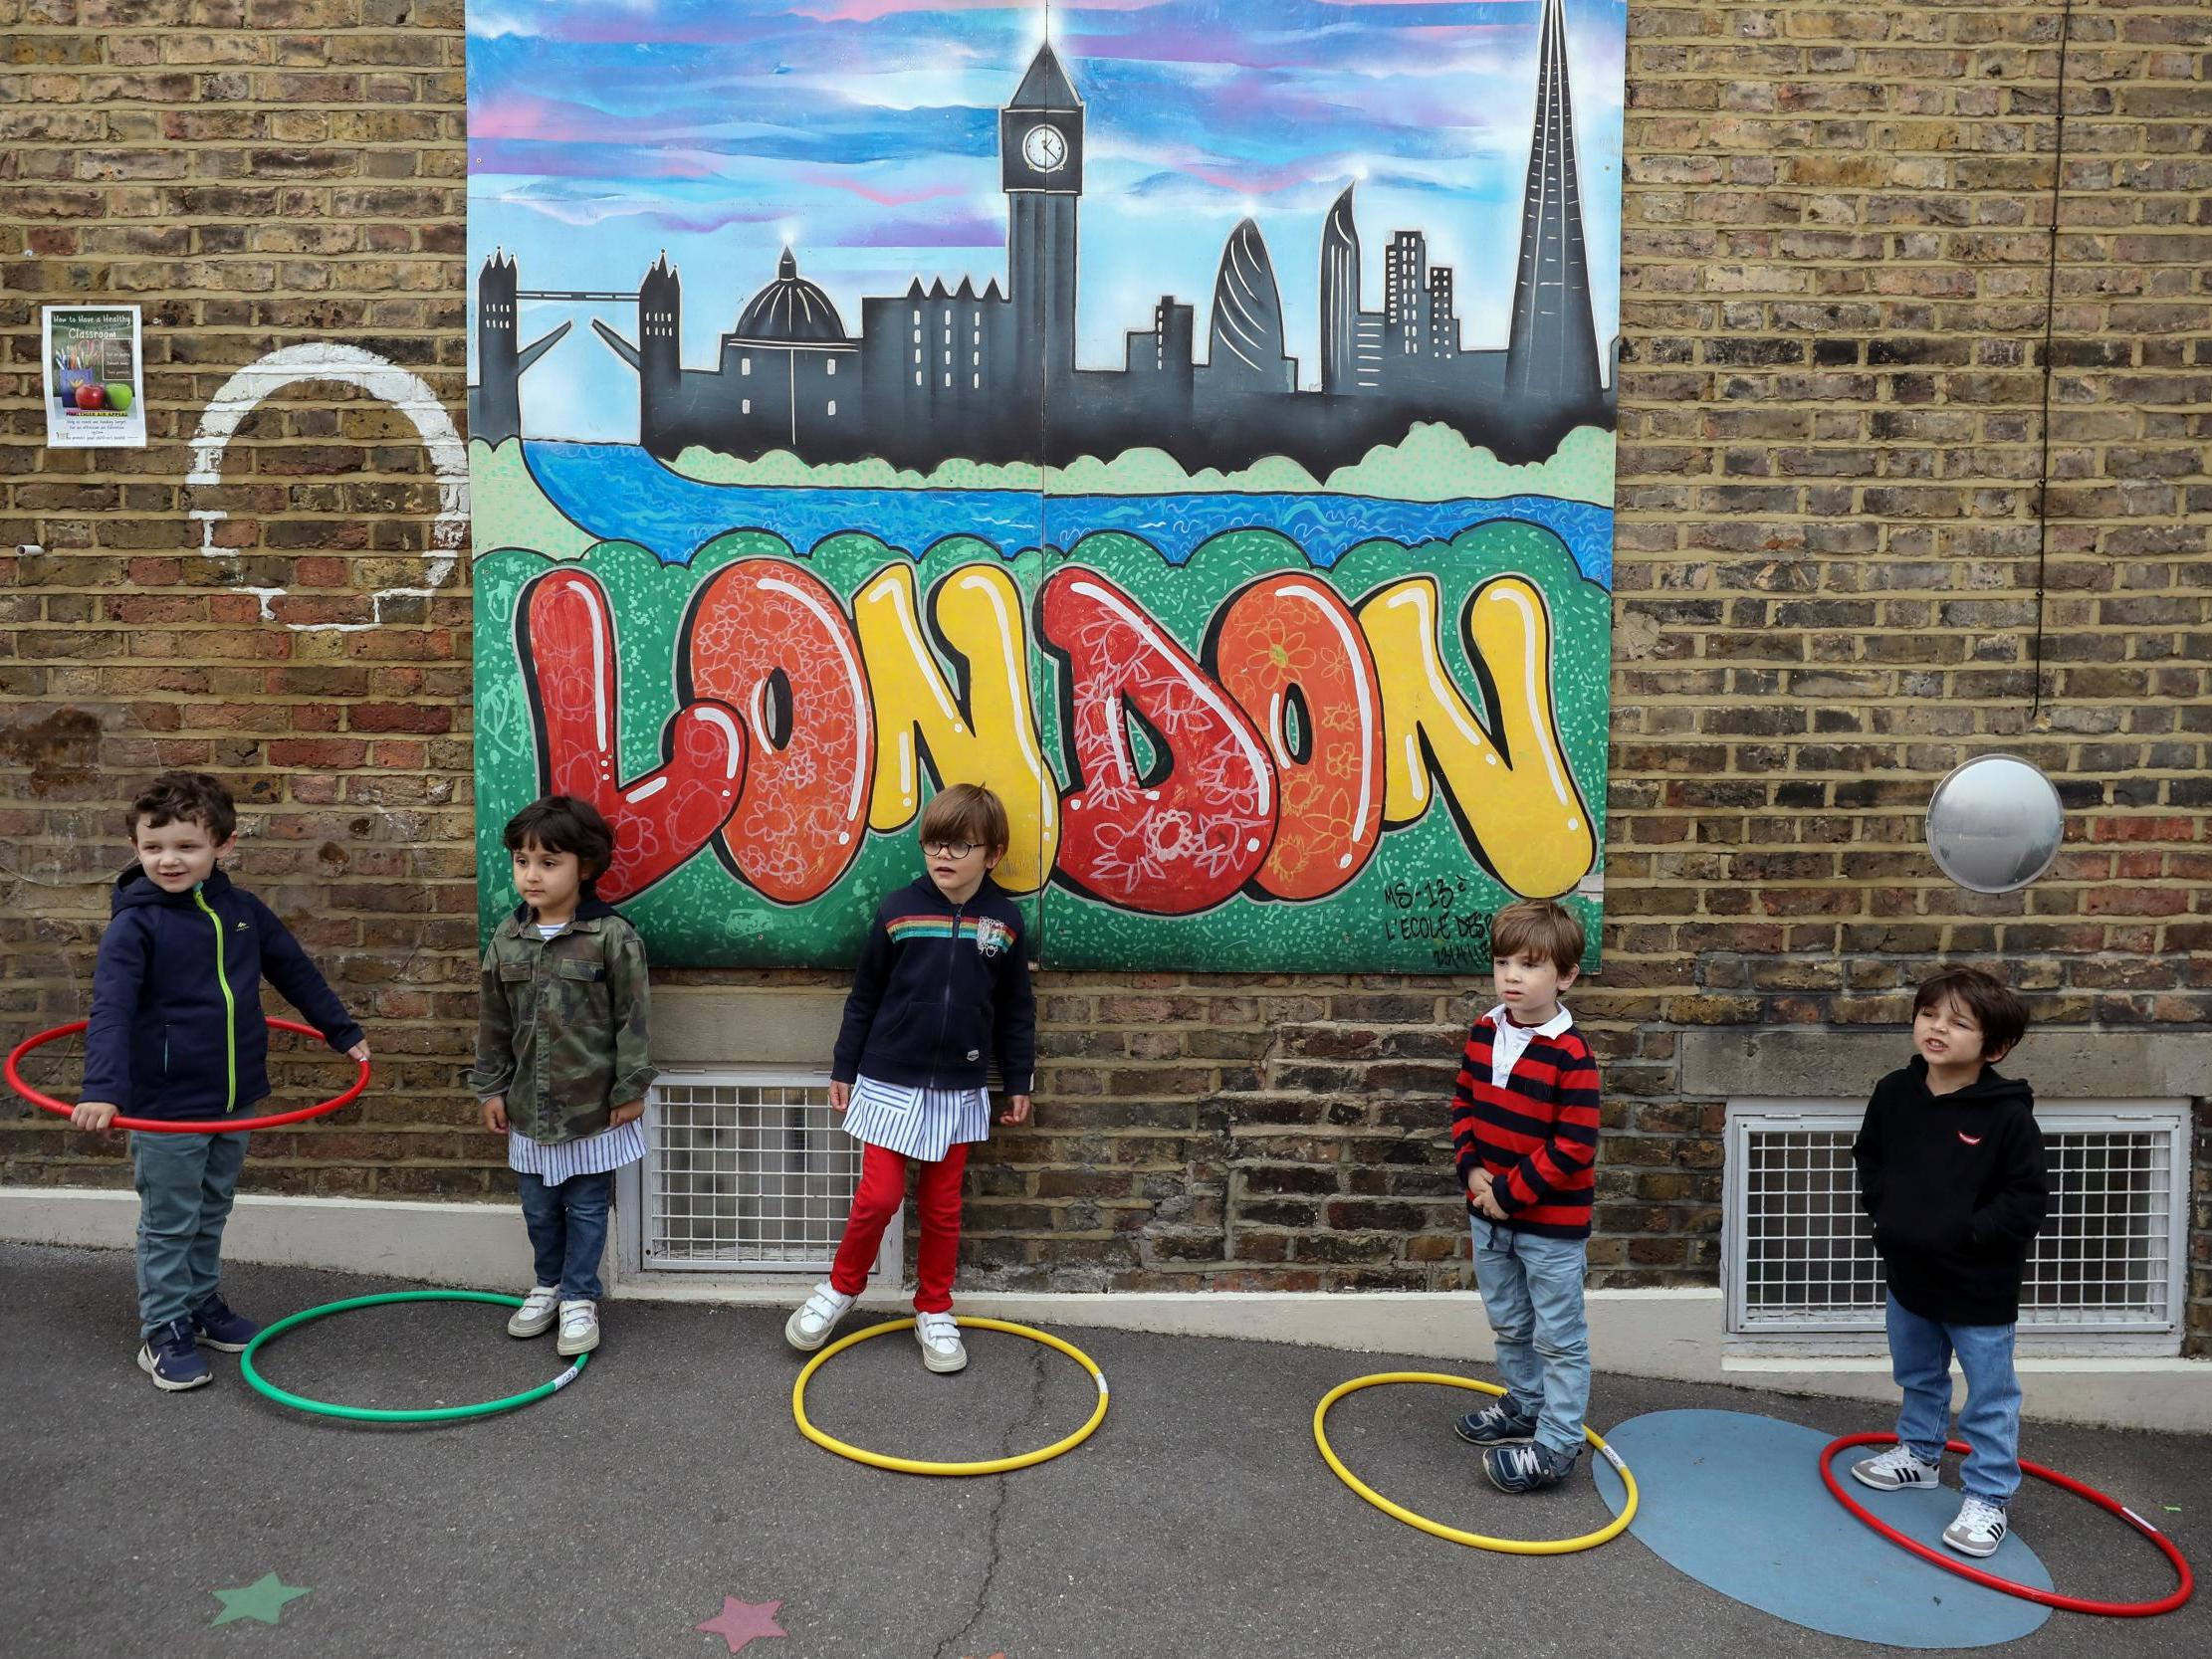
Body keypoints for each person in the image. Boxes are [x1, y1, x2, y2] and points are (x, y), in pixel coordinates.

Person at [75, 771, 369, 1392]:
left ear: (222, 845)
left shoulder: (242, 912)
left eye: (186, 846)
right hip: (166, 1104)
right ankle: (163, 1328)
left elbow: (294, 970)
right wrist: (102, 1088)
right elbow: (111, 1010)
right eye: (153, 847)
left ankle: (200, 1303)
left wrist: (340, 1030)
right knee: (170, 1220)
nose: (169, 860)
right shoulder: (135, 926)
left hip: (235, 1097)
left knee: (211, 1209)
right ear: (135, 847)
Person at [783, 783, 1035, 1373]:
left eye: (960, 846)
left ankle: (934, 1308)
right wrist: (844, 1066)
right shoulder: (899, 909)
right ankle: (840, 1288)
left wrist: (1018, 1078)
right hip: (889, 1080)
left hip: (959, 1087)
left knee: (942, 1207)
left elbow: (1016, 1009)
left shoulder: (1004, 920)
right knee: (879, 1197)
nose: (943, 856)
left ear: (992, 854)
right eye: (934, 844)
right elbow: (865, 995)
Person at [1850, 966, 2046, 1558]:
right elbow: (1869, 1155)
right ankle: (1920, 1454)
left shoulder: (2006, 1116)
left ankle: (1988, 1495)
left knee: (1989, 1396)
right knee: (1918, 1374)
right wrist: (1887, 1213)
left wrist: (1966, 1233)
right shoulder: (1894, 1092)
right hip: (1909, 1273)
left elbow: (2026, 1198)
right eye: (1929, 1014)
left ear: (1994, 1047)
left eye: (1959, 1023)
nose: (1937, 1028)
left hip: (1978, 1285)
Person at [470, 795, 654, 1360]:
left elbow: (633, 1019)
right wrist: (491, 1088)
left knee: (587, 1206)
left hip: (591, 1106)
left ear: (585, 866)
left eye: (549, 862)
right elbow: (493, 1021)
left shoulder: (612, 937)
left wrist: (630, 1089)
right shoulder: (507, 937)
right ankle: (547, 1285)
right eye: (522, 861)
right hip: (528, 1106)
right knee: (539, 1208)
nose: (532, 874)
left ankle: (579, 1296)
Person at [1446, 899, 1603, 1493]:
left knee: (1559, 1338)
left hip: (1549, 1227)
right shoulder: (1484, 1032)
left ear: (1566, 977)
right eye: (1503, 962)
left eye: (1531, 965)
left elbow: (1574, 1146)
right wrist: (1472, 1171)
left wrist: (1510, 1193)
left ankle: (1557, 1446)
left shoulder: (1572, 1055)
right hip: (1489, 1216)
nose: (1512, 976)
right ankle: (1523, 1404)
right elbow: (1463, 1105)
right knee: (1510, 1323)